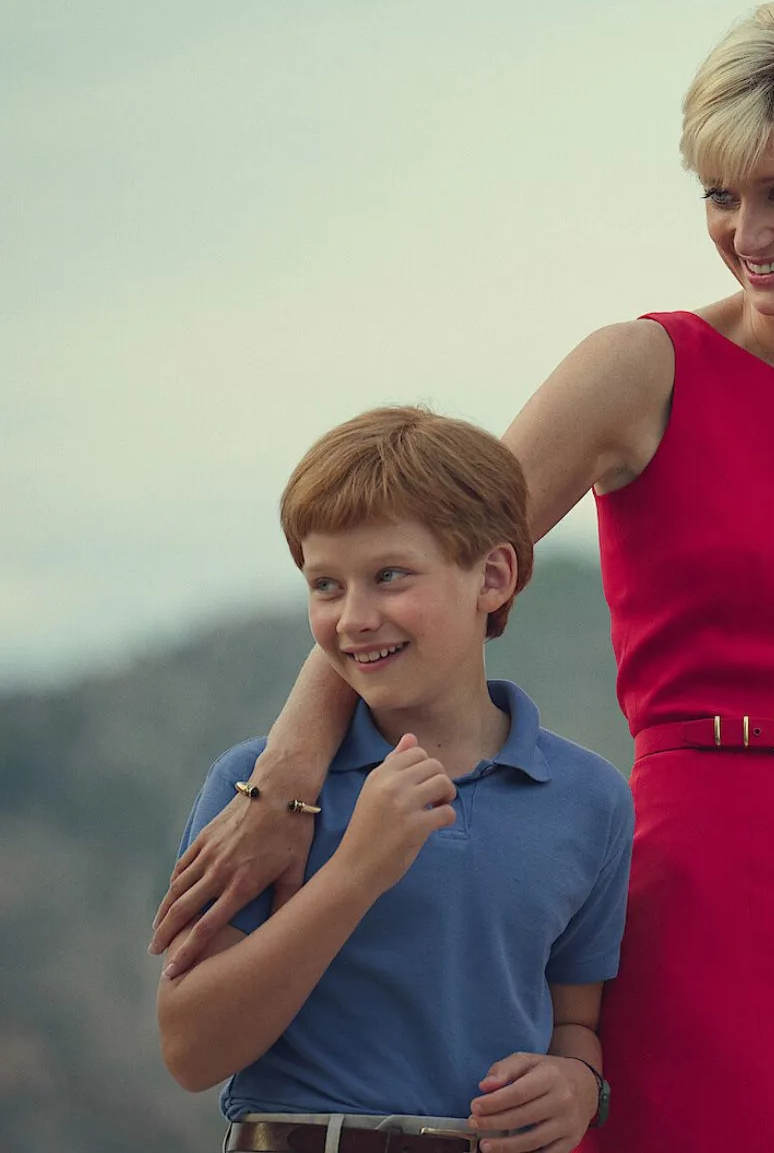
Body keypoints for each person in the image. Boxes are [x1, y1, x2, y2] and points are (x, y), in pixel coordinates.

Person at [152, 0, 774, 1153]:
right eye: (720, 194)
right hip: (707, 899)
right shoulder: (643, 368)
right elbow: (421, 573)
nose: (745, 232)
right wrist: (288, 781)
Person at [158, 405, 632, 1153]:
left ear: (495, 577)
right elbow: (192, 1049)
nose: (353, 618)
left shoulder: (590, 800)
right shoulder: (257, 793)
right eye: (325, 585)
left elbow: (575, 1018)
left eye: (389, 576)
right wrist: (355, 873)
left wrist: (579, 1082)